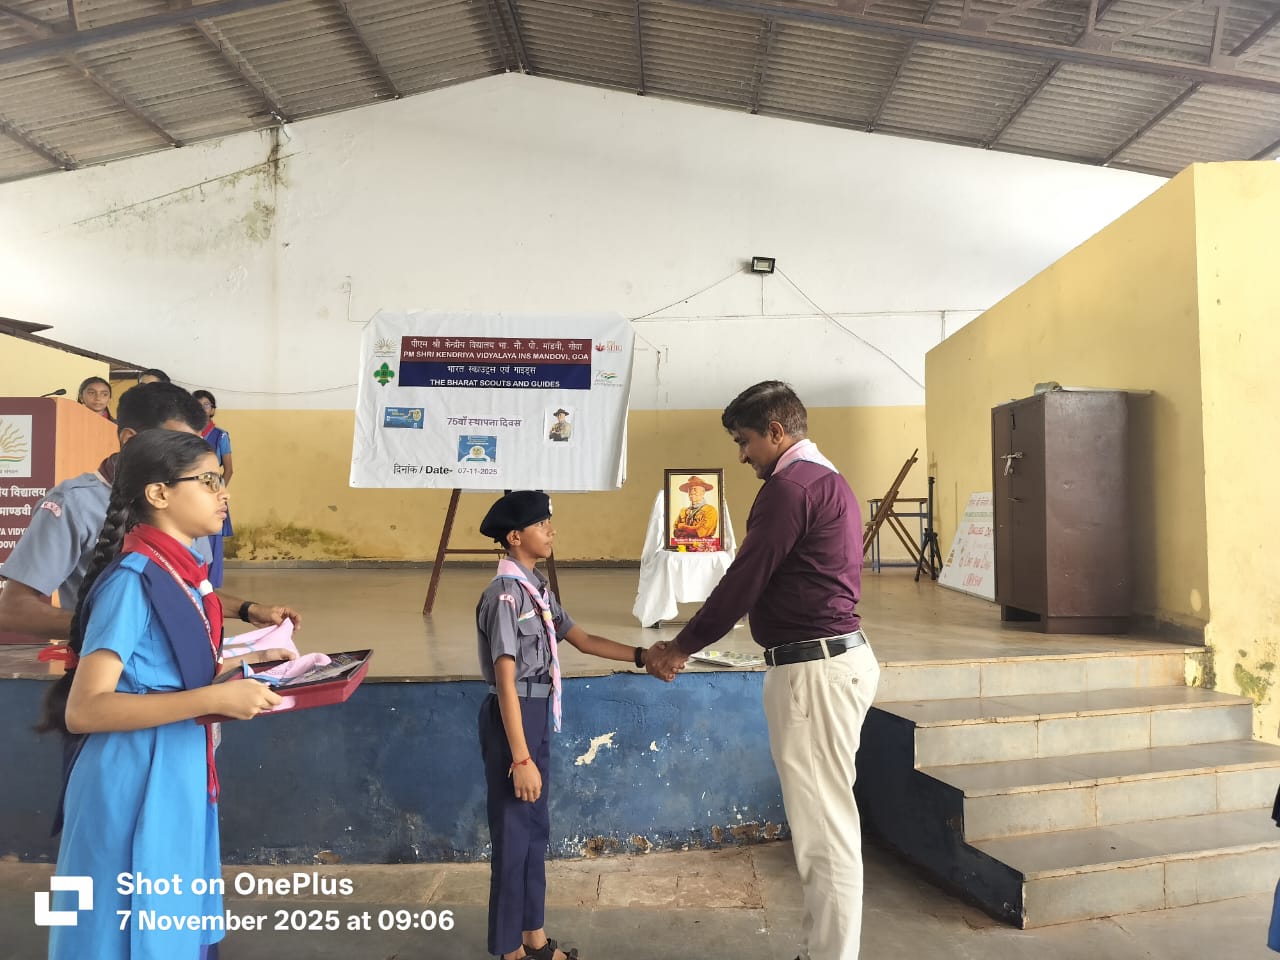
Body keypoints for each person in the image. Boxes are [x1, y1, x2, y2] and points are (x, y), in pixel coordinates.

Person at [37, 429, 295, 960]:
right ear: (158, 493)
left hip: (177, 763)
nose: (224, 493)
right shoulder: (132, 581)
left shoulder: (179, 574)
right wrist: (213, 700)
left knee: (169, 917)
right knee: (118, 927)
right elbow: (86, 708)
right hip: (132, 771)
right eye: (208, 481)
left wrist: (246, 668)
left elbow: (162, 671)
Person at [646, 381, 880, 960]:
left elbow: (743, 581)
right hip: (832, 662)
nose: (741, 454)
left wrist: (681, 647)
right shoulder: (825, 478)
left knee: (825, 835)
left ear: (776, 432)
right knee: (825, 824)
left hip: (814, 674)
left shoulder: (789, 488)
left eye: (744, 440)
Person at [476, 490, 651, 960]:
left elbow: (583, 639)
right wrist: (520, 758)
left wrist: (643, 656)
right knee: (513, 836)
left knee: (535, 831)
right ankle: (509, 950)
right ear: (515, 537)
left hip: (537, 715)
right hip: (513, 719)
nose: (551, 530)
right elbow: (506, 682)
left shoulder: (537, 590)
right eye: (541, 524)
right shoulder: (505, 597)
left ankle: (533, 937)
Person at [0, 382, 298, 644]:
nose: (190, 459)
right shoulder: (74, 503)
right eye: (176, 446)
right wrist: (120, 628)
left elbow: (189, 591)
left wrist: (248, 609)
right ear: (130, 439)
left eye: (194, 446)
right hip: (115, 672)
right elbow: (12, 610)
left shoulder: (189, 499)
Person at [192, 390, 233, 587]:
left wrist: (215, 492)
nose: (202, 408)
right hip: (191, 492)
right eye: (197, 404)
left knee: (213, 535)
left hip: (212, 490)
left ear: (212, 409)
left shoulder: (220, 435)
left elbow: (229, 470)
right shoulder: (185, 433)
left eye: (206, 405)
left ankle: (211, 586)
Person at [671, 475, 718, 548]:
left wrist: (683, 527)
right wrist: (690, 530)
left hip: (703, 547)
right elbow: (675, 532)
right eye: (689, 489)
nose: (692, 492)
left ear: (703, 492)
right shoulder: (683, 511)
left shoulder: (710, 510)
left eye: (695, 489)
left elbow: (700, 532)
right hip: (684, 546)